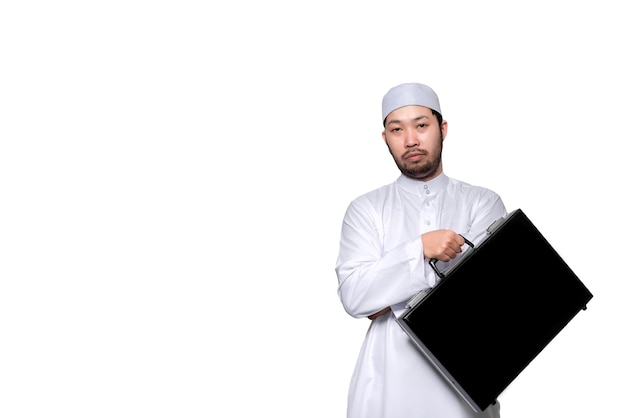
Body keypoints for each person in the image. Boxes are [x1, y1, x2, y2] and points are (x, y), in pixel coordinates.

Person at [335, 82, 507, 418]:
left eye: (421, 125)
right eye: (396, 129)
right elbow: (355, 298)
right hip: (386, 385)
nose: (410, 140)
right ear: (385, 138)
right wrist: (421, 249)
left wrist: (386, 292)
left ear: (442, 129)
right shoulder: (365, 209)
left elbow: (483, 293)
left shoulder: (482, 202)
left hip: (466, 380)